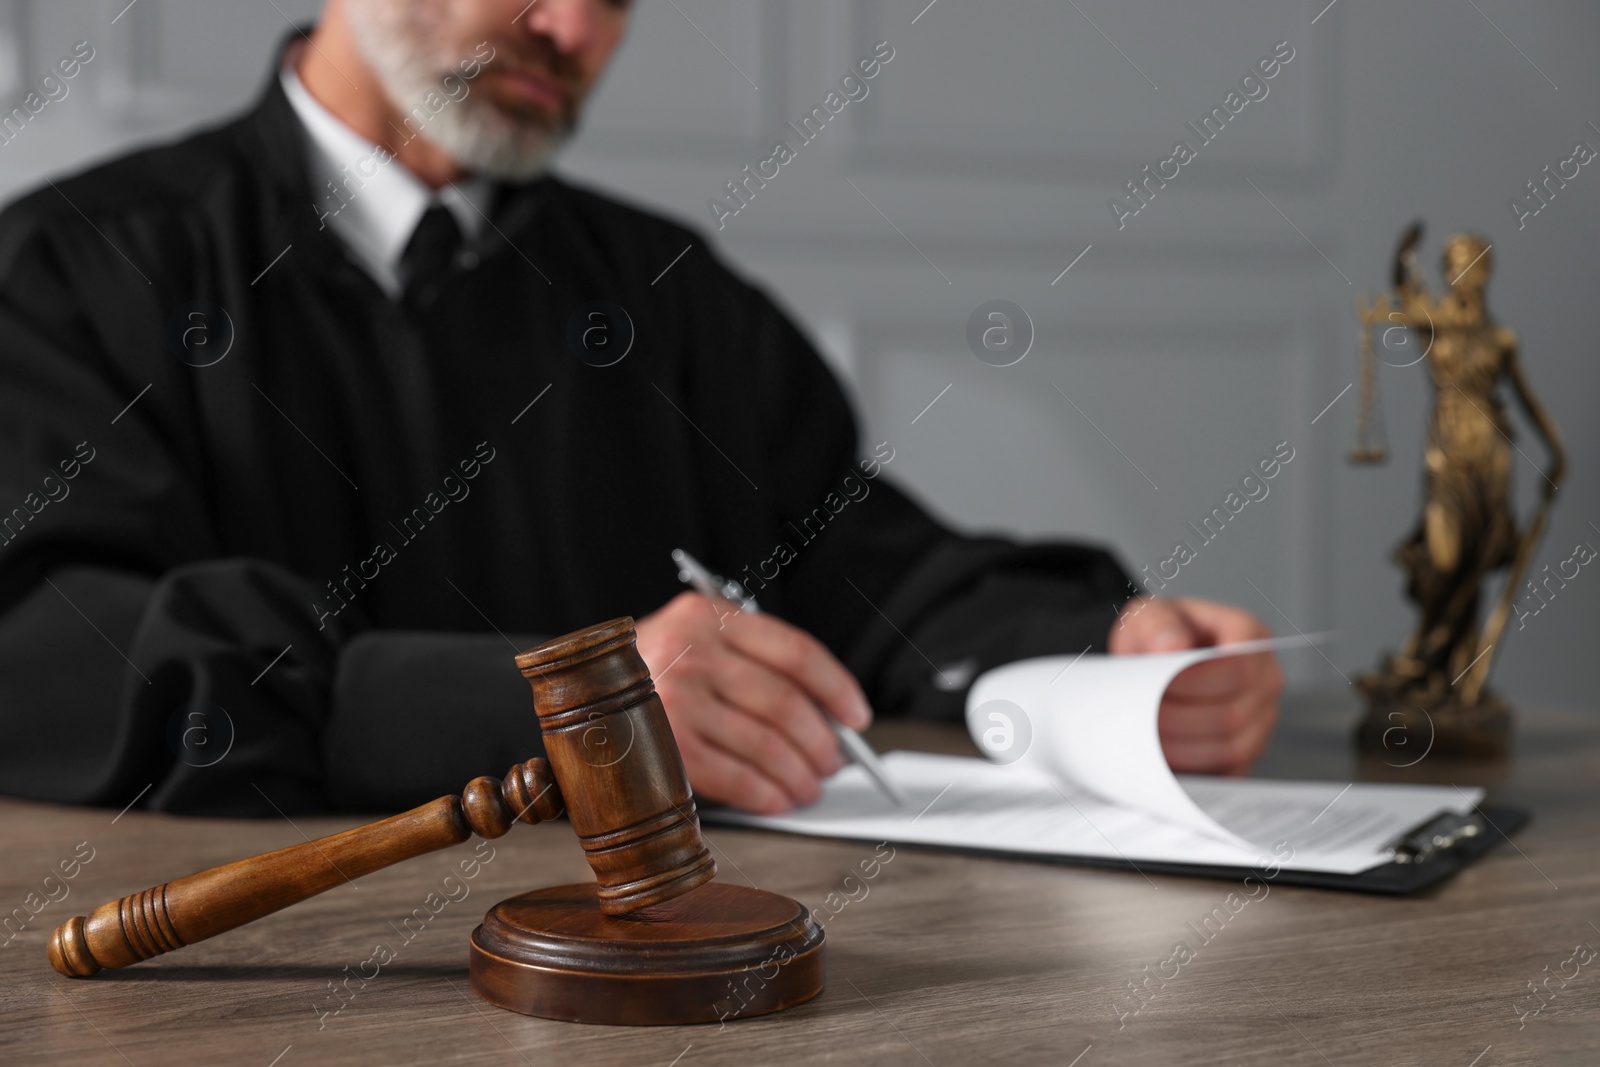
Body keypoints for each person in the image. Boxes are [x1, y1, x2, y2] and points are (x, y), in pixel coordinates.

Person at [0, 0, 1282, 817]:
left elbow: (847, 559)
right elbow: (47, 653)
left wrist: (1100, 647)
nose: (573, 29)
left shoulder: (668, 293)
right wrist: (569, 708)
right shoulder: (73, 266)